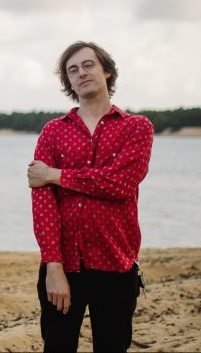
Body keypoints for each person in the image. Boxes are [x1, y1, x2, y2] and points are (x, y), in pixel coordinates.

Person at [27, 41, 153, 352]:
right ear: (68, 82)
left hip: (116, 262)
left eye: (88, 65)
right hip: (63, 265)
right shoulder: (53, 131)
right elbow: (43, 203)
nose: (81, 73)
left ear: (106, 70)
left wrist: (55, 174)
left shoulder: (137, 127)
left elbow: (120, 184)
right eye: (72, 70)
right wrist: (53, 265)